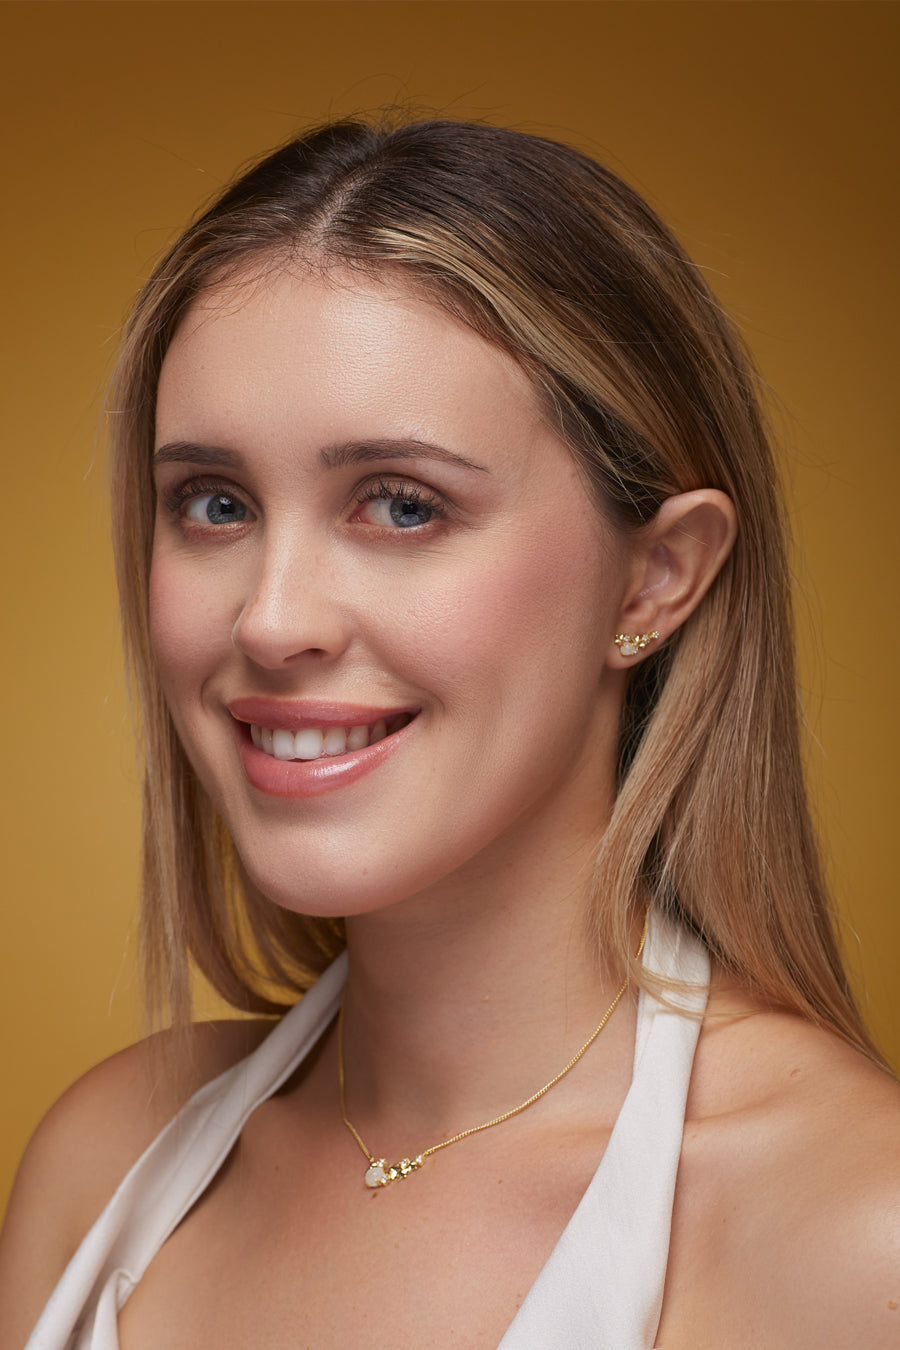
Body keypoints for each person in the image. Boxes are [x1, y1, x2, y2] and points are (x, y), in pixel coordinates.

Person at [1, 118, 897, 1350]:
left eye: (402, 505)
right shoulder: (106, 1161)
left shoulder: (854, 1236)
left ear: (655, 580)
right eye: (213, 504)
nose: (270, 619)